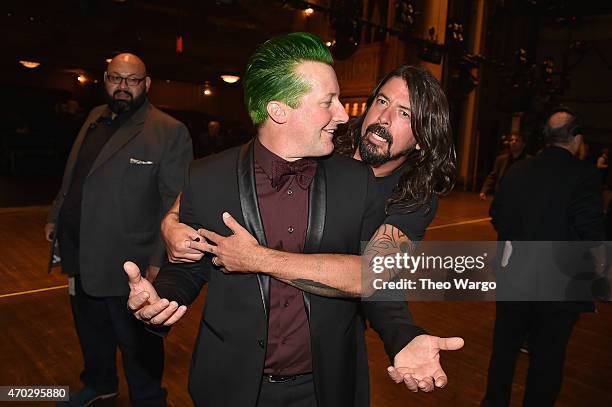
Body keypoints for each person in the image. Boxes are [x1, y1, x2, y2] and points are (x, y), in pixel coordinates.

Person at [124, 34, 462, 407]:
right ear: (279, 110)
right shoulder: (211, 175)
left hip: (322, 386)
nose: (346, 114)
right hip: (230, 385)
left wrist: (403, 336)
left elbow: (375, 278)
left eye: (405, 113)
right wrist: (167, 252)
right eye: (382, 101)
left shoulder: (385, 189)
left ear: (421, 139)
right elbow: (190, 259)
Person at [45, 53, 193, 407]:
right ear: (106, 79)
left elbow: (175, 203)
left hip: (131, 262)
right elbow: (75, 174)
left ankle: (148, 398)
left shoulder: (168, 131)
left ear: (147, 84)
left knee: (137, 342)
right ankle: (100, 383)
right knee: (91, 331)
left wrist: (160, 260)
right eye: (116, 78)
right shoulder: (97, 116)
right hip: (81, 250)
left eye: (132, 80)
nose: (123, 87)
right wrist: (55, 215)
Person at [481, 106, 604, 406]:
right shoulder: (585, 175)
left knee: (505, 351)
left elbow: (497, 216)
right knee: (546, 360)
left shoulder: (519, 170)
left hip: (515, 276)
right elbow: (589, 231)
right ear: (575, 138)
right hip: (559, 284)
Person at [479, 133, 529, 200]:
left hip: (519, 197)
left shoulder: (529, 161)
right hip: (501, 196)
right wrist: (484, 191)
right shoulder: (501, 159)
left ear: (523, 144)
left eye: (517, 140)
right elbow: (493, 176)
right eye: (512, 140)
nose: (513, 142)